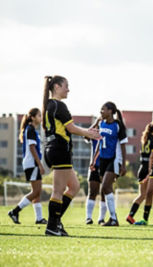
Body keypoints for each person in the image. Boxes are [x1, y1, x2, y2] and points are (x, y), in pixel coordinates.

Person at [42, 75, 101, 236]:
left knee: (74, 187)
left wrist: (86, 133)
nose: (68, 89)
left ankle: (56, 222)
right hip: (59, 150)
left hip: (54, 149)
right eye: (66, 86)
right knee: (58, 191)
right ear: (56, 87)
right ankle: (52, 227)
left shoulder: (50, 105)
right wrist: (88, 133)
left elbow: (69, 128)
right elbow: (71, 128)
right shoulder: (59, 105)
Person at [8, 108, 47, 225]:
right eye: (39, 115)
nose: (41, 118)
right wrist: (40, 164)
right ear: (32, 117)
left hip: (32, 163)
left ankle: (39, 218)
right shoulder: (30, 129)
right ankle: (15, 211)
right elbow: (32, 148)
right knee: (36, 191)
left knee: (37, 191)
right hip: (32, 163)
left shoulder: (32, 130)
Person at [91, 102, 128, 227]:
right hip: (102, 159)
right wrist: (94, 159)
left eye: (103, 109)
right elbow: (99, 143)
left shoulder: (118, 125)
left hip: (114, 158)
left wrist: (123, 164)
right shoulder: (101, 124)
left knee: (105, 186)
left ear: (111, 111)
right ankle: (112, 218)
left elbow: (123, 146)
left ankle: (113, 218)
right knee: (106, 188)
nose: (101, 112)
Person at [126, 121, 153, 224]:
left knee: (142, 195)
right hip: (149, 168)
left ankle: (130, 215)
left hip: (141, 168)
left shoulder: (145, 139)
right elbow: (152, 156)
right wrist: (150, 170)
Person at [85, 117, 105, 225]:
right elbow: (86, 135)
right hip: (94, 166)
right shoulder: (95, 133)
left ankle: (101, 218)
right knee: (92, 192)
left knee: (104, 192)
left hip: (106, 165)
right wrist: (96, 122)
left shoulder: (108, 132)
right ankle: (88, 217)